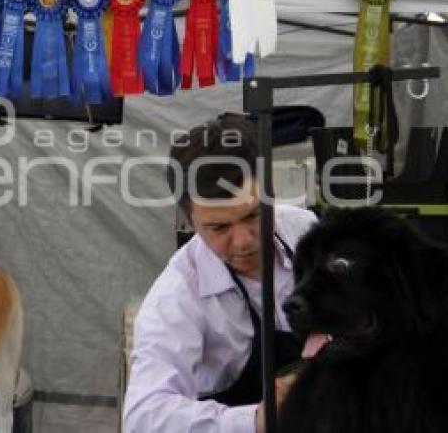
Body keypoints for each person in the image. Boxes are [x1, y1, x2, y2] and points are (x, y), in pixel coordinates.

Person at [122, 114, 318, 433]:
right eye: (219, 227)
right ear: (190, 221)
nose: (243, 241)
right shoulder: (177, 297)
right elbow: (144, 417)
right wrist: (254, 420)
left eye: (253, 214)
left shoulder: (305, 231)